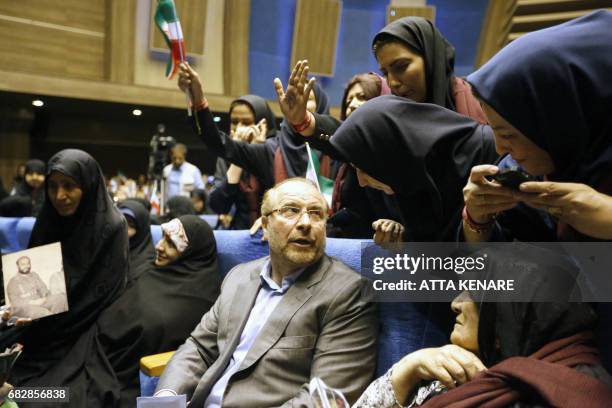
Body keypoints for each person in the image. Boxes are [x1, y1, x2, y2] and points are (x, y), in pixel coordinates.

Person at [154, 178, 378, 406]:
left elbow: (325, 398)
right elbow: (199, 348)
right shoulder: (239, 277)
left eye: (316, 213)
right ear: (265, 225)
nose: (305, 223)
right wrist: (166, 397)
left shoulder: (349, 291)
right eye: (291, 211)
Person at [354, 244, 612, 407]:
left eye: (473, 294)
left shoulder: (573, 392)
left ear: (509, 310)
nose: (455, 303)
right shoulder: (451, 369)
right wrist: (407, 370)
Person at [0, 149, 128, 407]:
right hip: (37, 322)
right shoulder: (48, 217)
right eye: (53, 186)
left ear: (88, 186)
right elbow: (33, 278)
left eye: (70, 186)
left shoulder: (112, 226)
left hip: (83, 328)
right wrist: (23, 308)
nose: (60, 196)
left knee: (52, 396)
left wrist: (48, 309)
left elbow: (105, 294)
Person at [330, 95, 497, 242]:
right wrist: (404, 239)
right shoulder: (409, 177)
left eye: (364, 169)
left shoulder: (487, 151)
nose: (361, 182)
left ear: (389, 148)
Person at [96, 215, 220, 408]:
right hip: (97, 349)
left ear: (191, 253)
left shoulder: (202, 301)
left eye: (170, 243)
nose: (159, 246)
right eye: (162, 238)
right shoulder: (150, 270)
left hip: (128, 377)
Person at [372, 16, 486, 123]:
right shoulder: (392, 121)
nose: (392, 83)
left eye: (401, 67)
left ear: (430, 59)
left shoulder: (483, 103)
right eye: (385, 73)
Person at [118, 199, 155, 285]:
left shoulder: (149, 265)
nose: (124, 230)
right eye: (121, 223)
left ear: (141, 230)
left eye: (131, 225)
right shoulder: (107, 252)